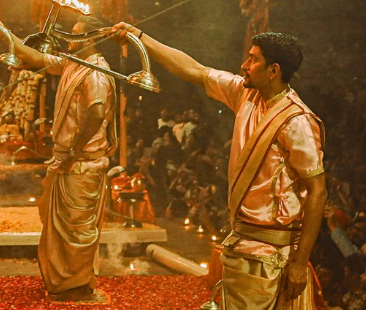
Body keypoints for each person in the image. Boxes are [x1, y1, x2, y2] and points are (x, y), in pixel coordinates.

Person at [109, 24, 326, 310]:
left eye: (253, 59)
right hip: (241, 243)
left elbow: (318, 192)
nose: (244, 65)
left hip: (273, 254)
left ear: (273, 71)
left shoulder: (297, 121)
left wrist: (299, 262)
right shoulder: (245, 94)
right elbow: (194, 70)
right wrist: (140, 37)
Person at [3, 16, 118, 302]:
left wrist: (75, 151)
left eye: (75, 36)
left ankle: (75, 287)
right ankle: (64, 283)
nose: (69, 40)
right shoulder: (72, 64)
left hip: (82, 163)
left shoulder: (96, 72)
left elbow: (97, 114)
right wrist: (4, 33)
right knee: (60, 226)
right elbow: (35, 56)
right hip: (68, 161)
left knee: (77, 228)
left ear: (90, 40)